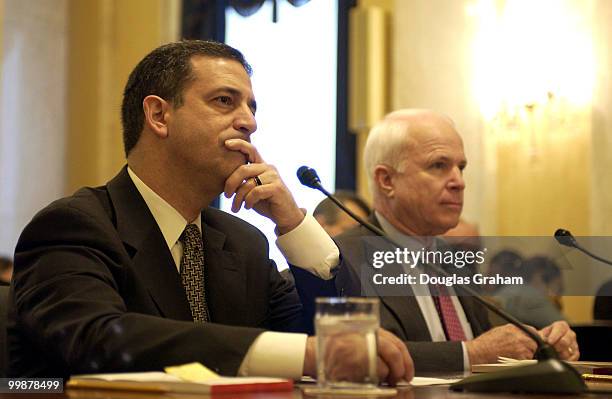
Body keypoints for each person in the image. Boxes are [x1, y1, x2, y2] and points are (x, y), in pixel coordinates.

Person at [8, 40, 413, 383]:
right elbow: (100, 339)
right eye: (225, 101)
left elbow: (320, 334)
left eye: (252, 108)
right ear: (159, 115)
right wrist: (305, 353)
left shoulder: (242, 242)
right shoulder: (76, 226)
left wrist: (293, 224)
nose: (249, 122)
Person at [292, 109, 579, 372]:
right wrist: (471, 354)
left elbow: (494, 346)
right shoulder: (340, 260)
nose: (459, 181)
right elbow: (360, 355)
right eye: (439, 165)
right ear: (386, 181)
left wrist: (541, 345)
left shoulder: (455, 260)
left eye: (461, 167)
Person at [494, 256, 565, 328]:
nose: (558, 297)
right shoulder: (532, 299)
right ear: (538, 278)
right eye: (559, 289)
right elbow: (566, 329)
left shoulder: (508, 290)